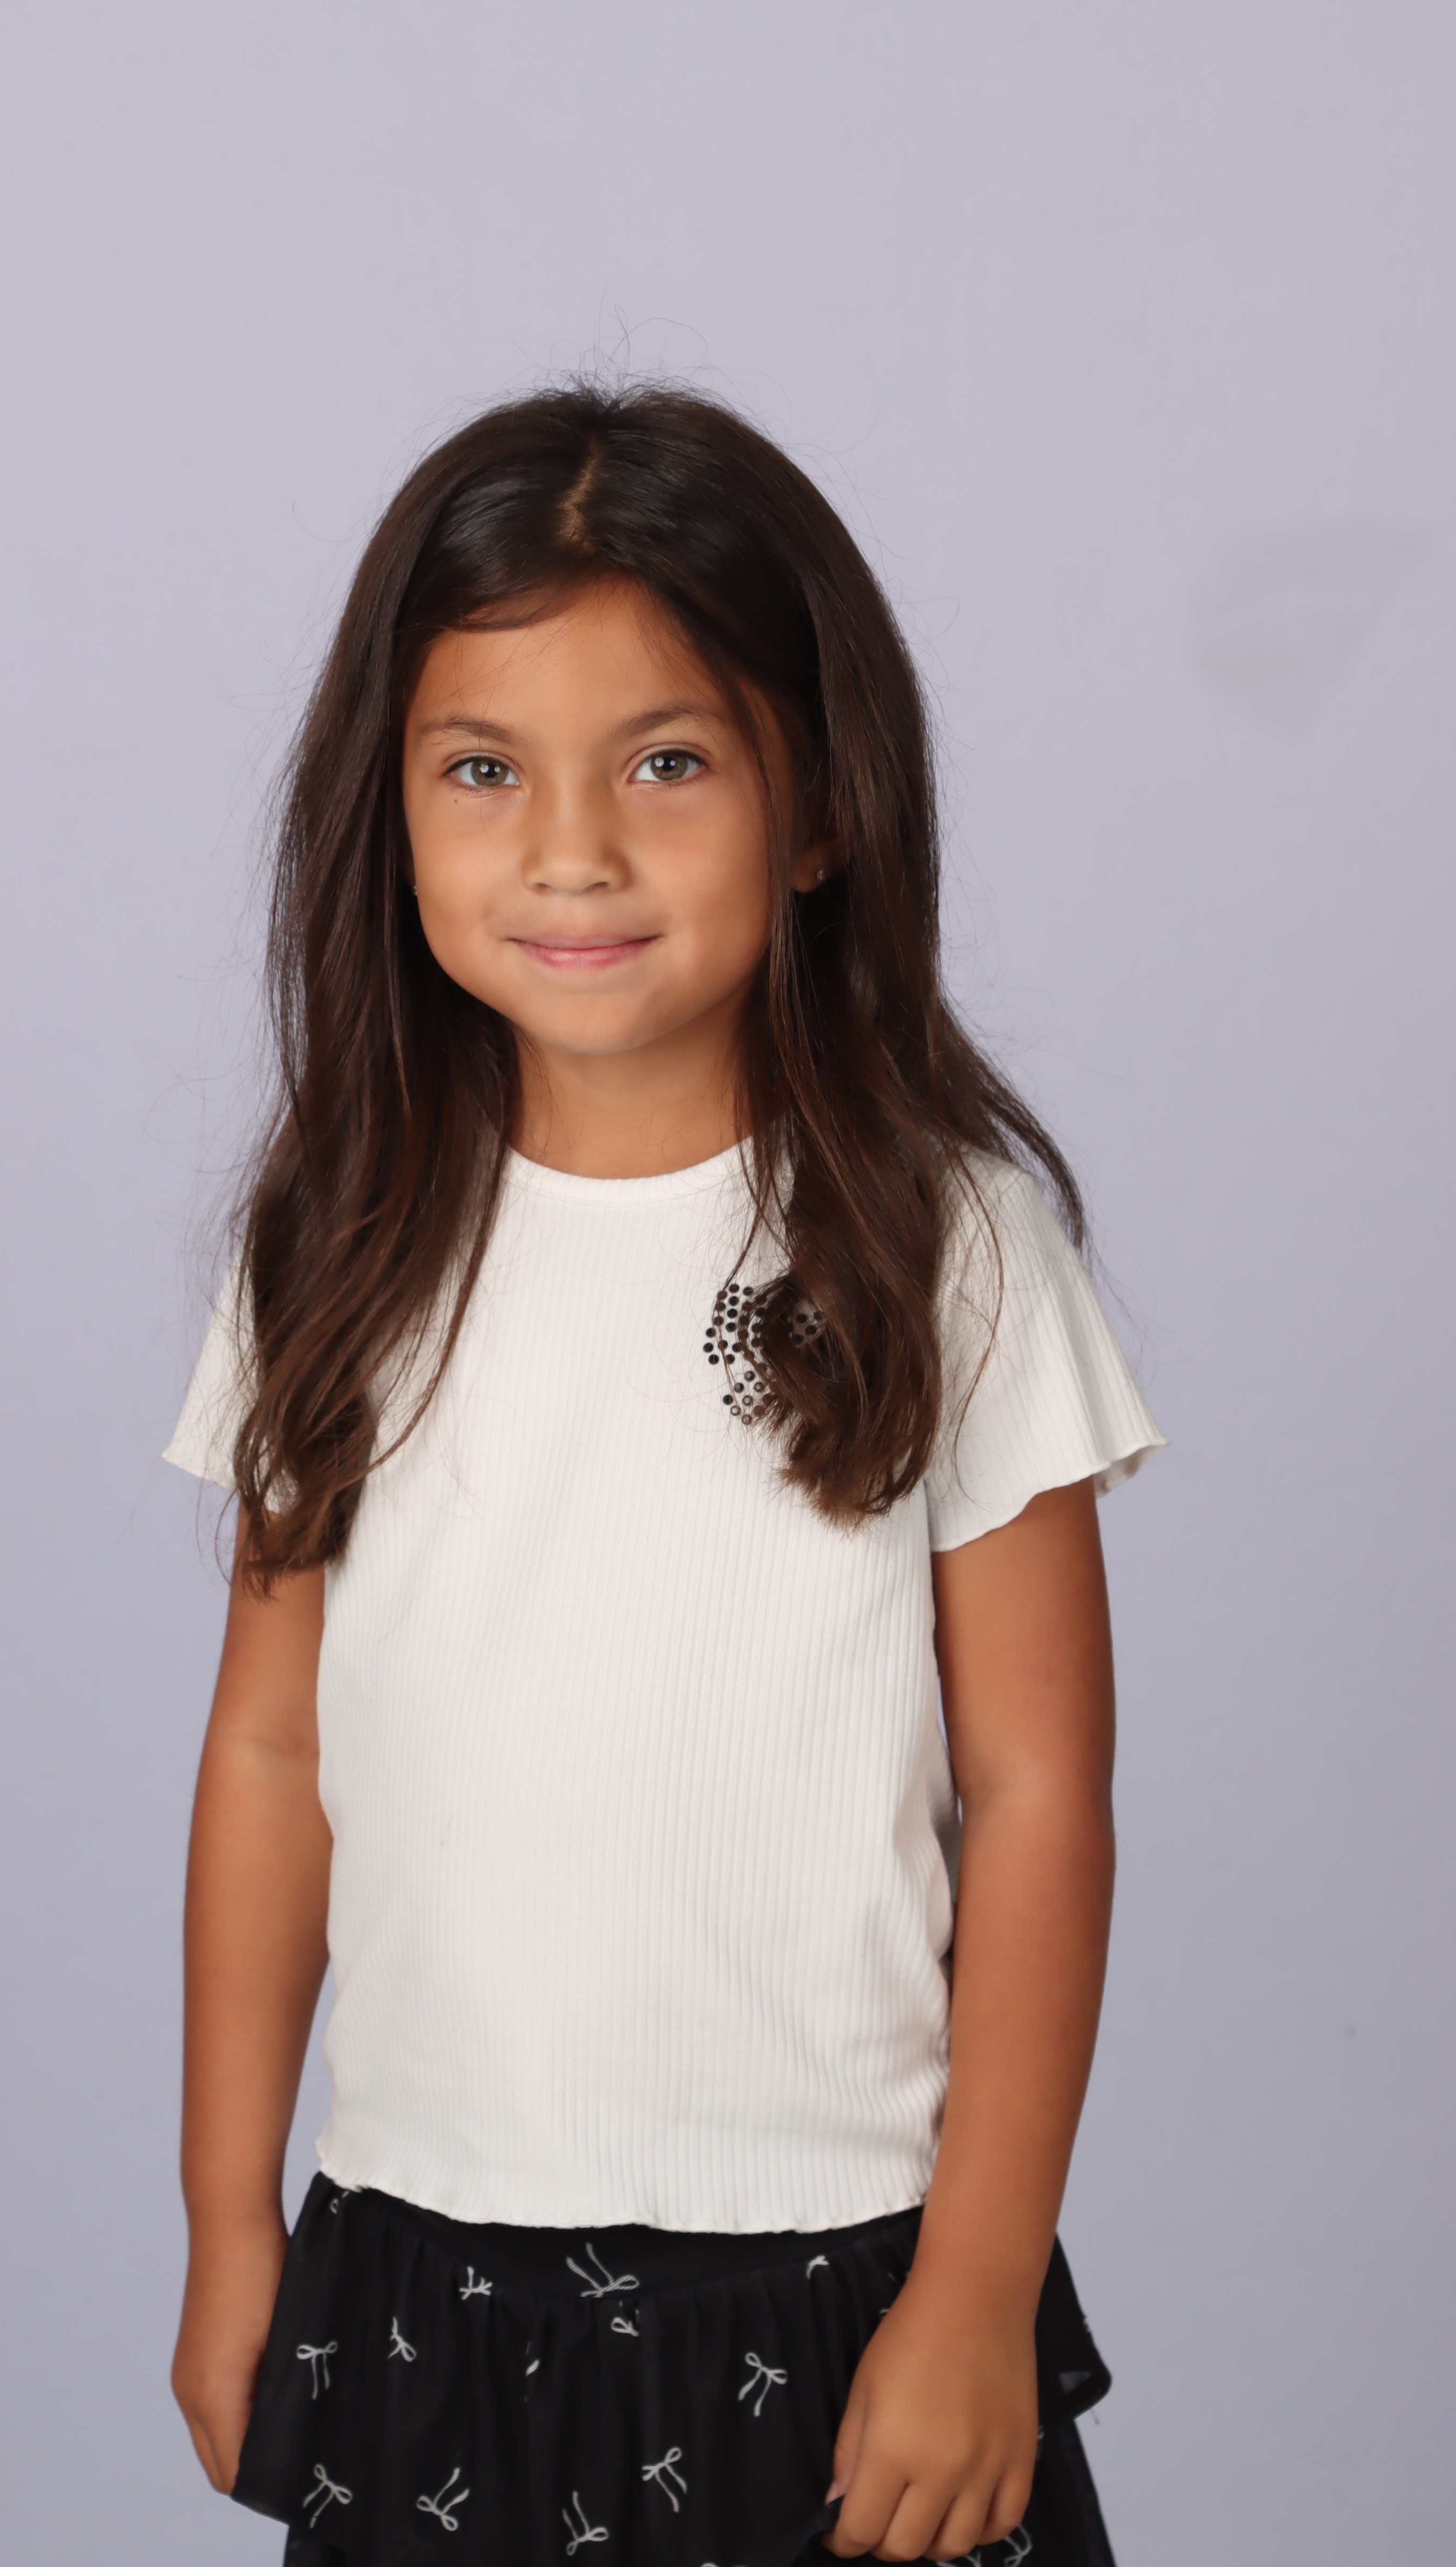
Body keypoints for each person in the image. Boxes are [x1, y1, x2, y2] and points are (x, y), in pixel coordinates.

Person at [163, 382, 1165, 2567]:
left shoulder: (947, 1242)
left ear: (817, 808)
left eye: (667, 764)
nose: (572, 852)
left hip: (844, 2289)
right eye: (483, 770)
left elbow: (1040, 1794)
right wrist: (231, 2221)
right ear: (388, 810)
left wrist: (977, 2292)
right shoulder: (338, 1243)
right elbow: (269, 1748)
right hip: (419, 2282)